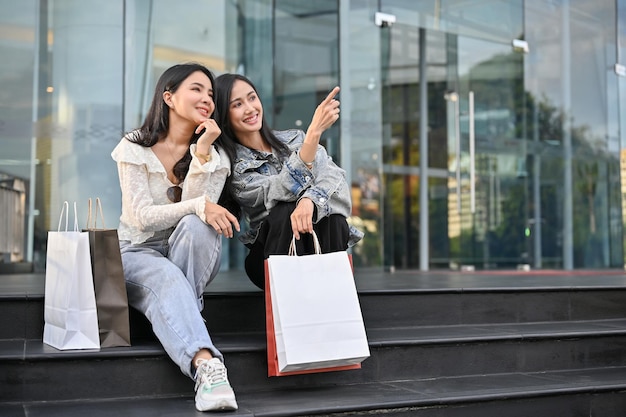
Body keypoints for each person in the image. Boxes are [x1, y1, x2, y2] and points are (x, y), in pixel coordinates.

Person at [111, 63, 240, 412]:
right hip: (137, 250)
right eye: (196, 89)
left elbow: (197, 215)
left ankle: (181, 319)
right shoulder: (134, 147)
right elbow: (141, 217)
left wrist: (201, 154)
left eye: (211, 94)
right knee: (168, 270)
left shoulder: (216, 156)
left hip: (185, 249)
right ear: (168, 96)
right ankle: (207, 365)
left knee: (200, 226)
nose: (206, 99)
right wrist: (200, 204)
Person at [213, 73, 364, 289]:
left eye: (252, 98)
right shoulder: (232, 166)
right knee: (284, 211)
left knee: (333, 219)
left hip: (317, 243)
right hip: (271, 254)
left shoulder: (295, 139)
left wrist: (309, 200)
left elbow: (334, 179)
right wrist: (313, 136)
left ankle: (331, 301)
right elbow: (277, 190)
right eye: (237, 104)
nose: (249, 108)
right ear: (224, 115)